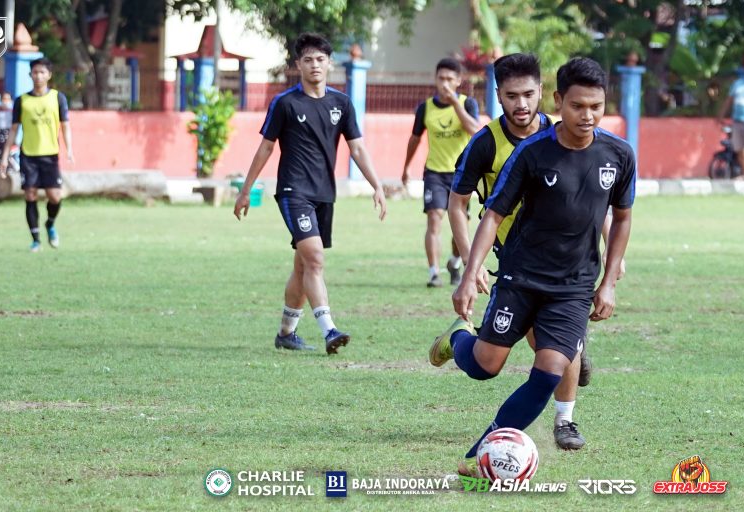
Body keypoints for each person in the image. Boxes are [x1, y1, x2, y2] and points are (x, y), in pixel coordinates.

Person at [433, 57, 634, 475]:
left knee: (550, 369)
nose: (588, 115)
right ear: (560, 101)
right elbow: (490, 214)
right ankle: (460, 340)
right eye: (578, 105)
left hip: (574, 285)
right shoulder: (528, 152)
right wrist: (471, 274)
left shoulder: (618, 154)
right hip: (520, 274)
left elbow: (622, 217)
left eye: (596, 106)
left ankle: (479, 456)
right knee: (487, 365)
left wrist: (610, 279)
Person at [233, 33, 387, 354]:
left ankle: (286, 333)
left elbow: (356, 148)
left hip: (324, 194)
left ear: (330, 64)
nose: (314, 65)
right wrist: (246, 190)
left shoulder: (342, 104)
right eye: (308, 60)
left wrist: (377, 185)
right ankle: (329, 330)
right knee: (315, 258)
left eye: (320, 59)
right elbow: (265, 148)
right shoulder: (285, 103)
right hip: (293, 191)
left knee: (303, 266)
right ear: (297, 65)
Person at [401, 58, 481, 288]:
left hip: (461, 175)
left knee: (460, 230)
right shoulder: (425, 108)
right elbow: (415, 139)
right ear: (435, 79)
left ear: (458, 81)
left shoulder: (467, 104)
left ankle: (454, 262)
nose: (444, 83)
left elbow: (474, 130)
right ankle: (433, 273)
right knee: (434, 219)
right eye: (441, 78)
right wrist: (405, 168)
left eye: (449, 79)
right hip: (434, 173)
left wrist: (455, 103)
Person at [0, 58, 74, 252]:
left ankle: (49, 224)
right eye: (35, 72)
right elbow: (13, 130)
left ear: (49, 75)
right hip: (29, 155)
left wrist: (70, 150)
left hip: (50, 155)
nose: (38, 76)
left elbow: (65, 127)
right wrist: (5, 157)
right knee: (30, 194)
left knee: (55, 196)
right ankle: (36, 240)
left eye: (42, 72)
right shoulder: (22, 101)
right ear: (30, 75)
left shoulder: (58, 98)